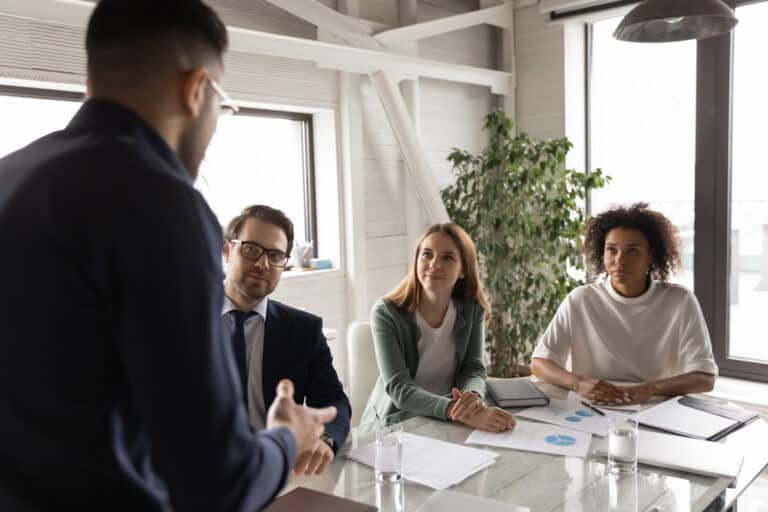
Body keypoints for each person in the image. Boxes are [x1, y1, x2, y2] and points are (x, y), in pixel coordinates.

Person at [0, 1, 335, 510]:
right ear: (196, 89)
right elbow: (215, 480)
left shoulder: (11, 177)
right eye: (222, 104)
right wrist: (288, 437)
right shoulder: (159, 202)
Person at [531, 203, 718, 405]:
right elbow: (540, 363)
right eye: (612, 250)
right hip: (592, 409)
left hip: (656, 410)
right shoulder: (581, 299)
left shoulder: (680, 302)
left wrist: (650, 389)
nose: (620, 260)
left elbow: (705, 378)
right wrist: (578, 383)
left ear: (651, 255)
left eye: (632, 251)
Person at [222, 204, 351, 475]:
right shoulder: (182, 320)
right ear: (226, 251)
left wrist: (324, 439)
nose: (262, 263)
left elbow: (334, 402)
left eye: (275, 255)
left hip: (278, 471)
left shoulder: (304, 330)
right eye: (251, 249)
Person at [361, 223, 516, 432]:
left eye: (448, 257)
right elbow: (400, 389)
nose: (434, 264)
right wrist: (455, 410)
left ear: (463, 270)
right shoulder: (386, 312)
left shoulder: (472, 308)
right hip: (396, 427)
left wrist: (472, 398)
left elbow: (473, 368)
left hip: (448, 422)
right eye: (427, 254)